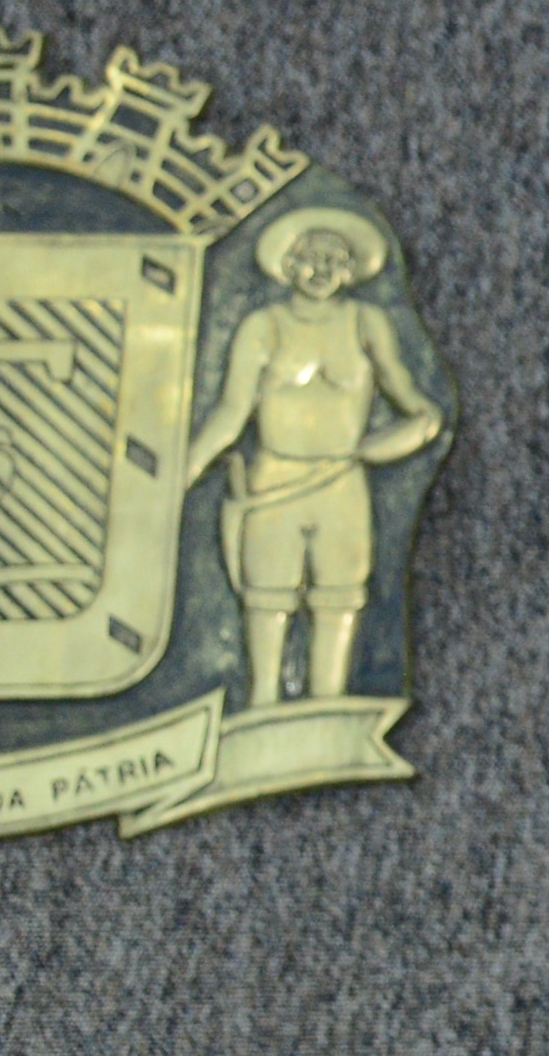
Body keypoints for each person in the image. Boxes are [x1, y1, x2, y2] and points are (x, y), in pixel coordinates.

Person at [179, 207, 443, 710]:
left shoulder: (366, 322)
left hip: (341, 483)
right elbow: (231, 413)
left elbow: (420, 410)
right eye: (309, 258)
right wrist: (184, 472)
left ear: (350, 270)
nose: (320, 269)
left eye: (333, 259)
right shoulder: (263, 326)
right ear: (288, 265)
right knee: (266, 599)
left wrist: (390, 443)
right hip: (273, 480)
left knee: (339, 599)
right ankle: (261, 706)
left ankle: (328, 707)